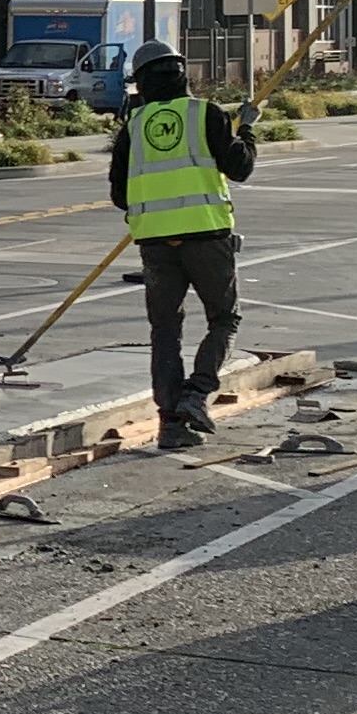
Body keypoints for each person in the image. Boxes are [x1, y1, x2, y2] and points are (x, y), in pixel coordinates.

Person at [105, 42, 256, 448]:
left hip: (155, 241)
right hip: (206, 235)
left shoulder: (133, 127)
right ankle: (197, 392)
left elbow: (120, 195)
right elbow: (240, 167)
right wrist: (246, 130)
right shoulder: (206, 114)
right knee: (224, 319)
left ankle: (170, 425)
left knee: (166, 330)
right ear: (181, 74)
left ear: (141, 83)